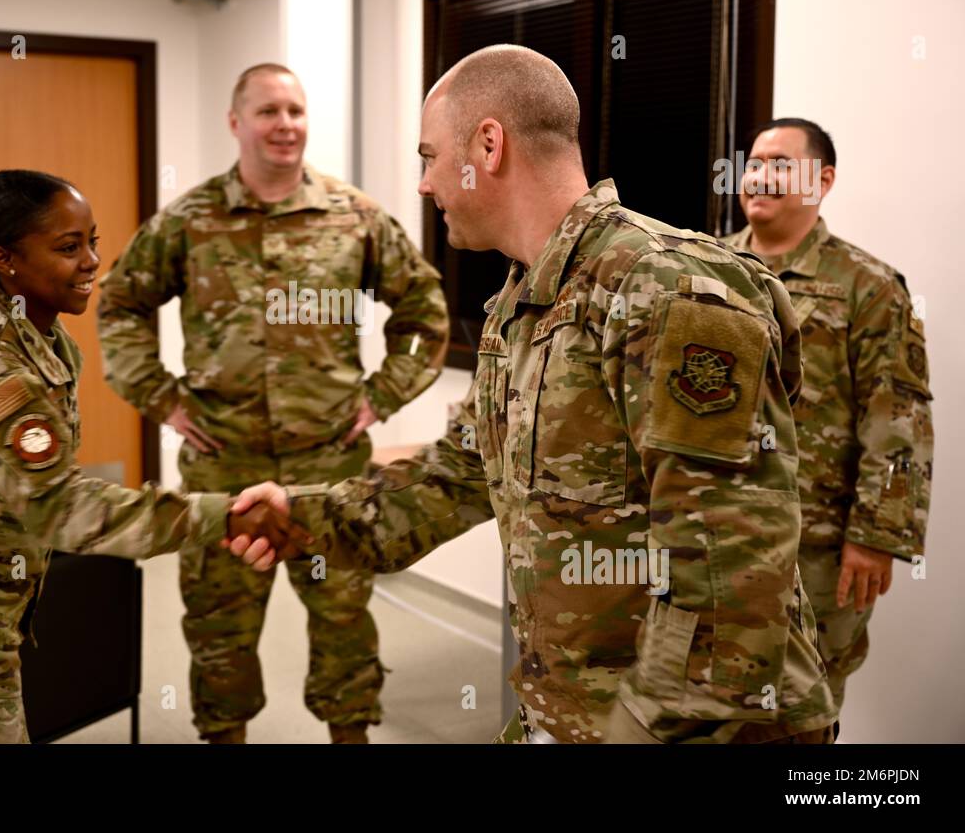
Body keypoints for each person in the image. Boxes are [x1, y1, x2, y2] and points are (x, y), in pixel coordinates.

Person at [231, 45, 838, 743]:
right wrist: (300, 517)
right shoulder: (521, 303)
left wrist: (636, 728)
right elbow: (457, 474)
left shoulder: (663, 290)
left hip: (695, 726)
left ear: (488, 146)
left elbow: (730, 567)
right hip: (575, 705)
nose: (424, 184)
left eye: (428, 156)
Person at [0, 169, 305, 743]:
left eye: (93, 241)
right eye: (68, 247)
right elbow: (60, 507)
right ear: (4, 259)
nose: (91, 261)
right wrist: (224, 515)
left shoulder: (43, 336)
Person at [97, 63, 449, 743]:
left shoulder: (356, 217)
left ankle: (352, 734)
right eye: (267, 111)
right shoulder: (190, 220)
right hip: (222, 466)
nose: (284, 124)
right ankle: (223, 735)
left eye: (294, 110)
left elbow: (425, 309)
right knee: (219, 628)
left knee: (345, 617)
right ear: (236, 123)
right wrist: (161, 398)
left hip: (331, 466)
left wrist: (383, 395)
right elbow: (119, 302)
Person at [722, 118, 933, 722]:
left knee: (801, 707)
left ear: (823, 179)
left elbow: (898, 418)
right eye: (754, 161)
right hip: (709, 530)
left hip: (813, 545)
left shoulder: (866, 286)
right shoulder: (707, 268)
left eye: (780, 164)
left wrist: (874, 536)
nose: (759, 175)